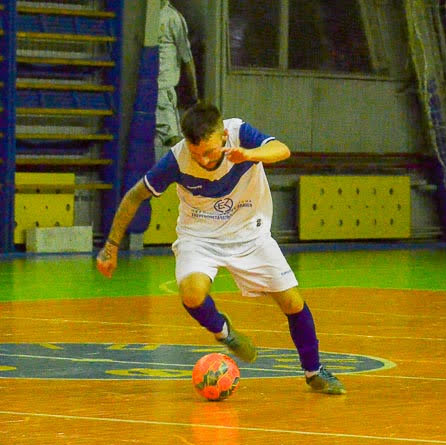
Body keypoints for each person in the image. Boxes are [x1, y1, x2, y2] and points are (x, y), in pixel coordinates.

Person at [96, 102, 346, 395]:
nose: (203, 160)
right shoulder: (177, 160)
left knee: (292, 302)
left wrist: (250, 155)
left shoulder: (240, 134)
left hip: (249, 233)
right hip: (200, 236)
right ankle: (223, 332)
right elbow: (134, 197)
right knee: (191, 294)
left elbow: (282, 149)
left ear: (223, 135)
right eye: (196, 153)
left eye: (210, 152)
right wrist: (111, 246)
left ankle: (314, 372)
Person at [157, 0, 199, 153]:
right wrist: (195, 93)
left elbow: (186, 58)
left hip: (160, 87)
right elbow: (187, 59)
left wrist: (194, 93)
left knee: (169, 139)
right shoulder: (166, 17)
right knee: (173, 140)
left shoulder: (172, 18)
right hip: (160, 88)